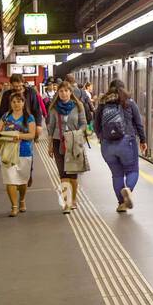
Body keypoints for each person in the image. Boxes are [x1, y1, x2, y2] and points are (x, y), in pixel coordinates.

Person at [94, 78, 147, 213]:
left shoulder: (102, 103)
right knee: (132, 170)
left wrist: (102, 138)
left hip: (107, 145)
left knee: (117, 175)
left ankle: (121, 204)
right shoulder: (129, 103)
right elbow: (139, 124)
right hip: (126, 142)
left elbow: (96, 125)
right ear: (123, 89)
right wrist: (143, 140)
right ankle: (128, 189)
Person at [46, 81, 87, 213]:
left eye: (66, 91)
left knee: (73, 174)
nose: (63, 94)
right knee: (63, 174)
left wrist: (77, 134)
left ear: (71, 92)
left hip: (74, 142)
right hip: (59, 142)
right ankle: (66, 202)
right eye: (61, 91)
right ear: (58, 93)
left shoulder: (78, 106)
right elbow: (50, 128)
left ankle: (73, 200)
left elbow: (83, 124)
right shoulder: (53, 108)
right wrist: (50, 144)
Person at [0, 92, 36, 216]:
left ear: (23, 103)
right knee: (10, 179)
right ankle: (14, 206)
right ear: (10, 103)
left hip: (24, 151)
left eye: (19, 101)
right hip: (7, 152)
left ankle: (22, 200)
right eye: (14, 102)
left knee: (22, 180)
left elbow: (31, 135)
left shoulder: (29, 117)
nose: (16, 104)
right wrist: (1, 137)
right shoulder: (6, 116)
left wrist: (18, 136)